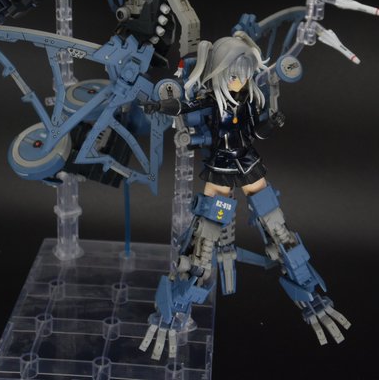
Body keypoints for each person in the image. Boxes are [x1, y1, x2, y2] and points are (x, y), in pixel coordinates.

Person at [140, 32, 350, 360]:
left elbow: (254, 132)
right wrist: (160, 105)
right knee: (206, 234)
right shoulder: (213, 100)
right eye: (234, 75)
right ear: (220, 72)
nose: (240, 81)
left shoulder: (248, 100)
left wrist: (271, 123)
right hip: (221, 166)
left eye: (245, 75)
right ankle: (177, 305)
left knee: (276, 224)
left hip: (248, 162)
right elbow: (184, 105)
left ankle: (308, 291)